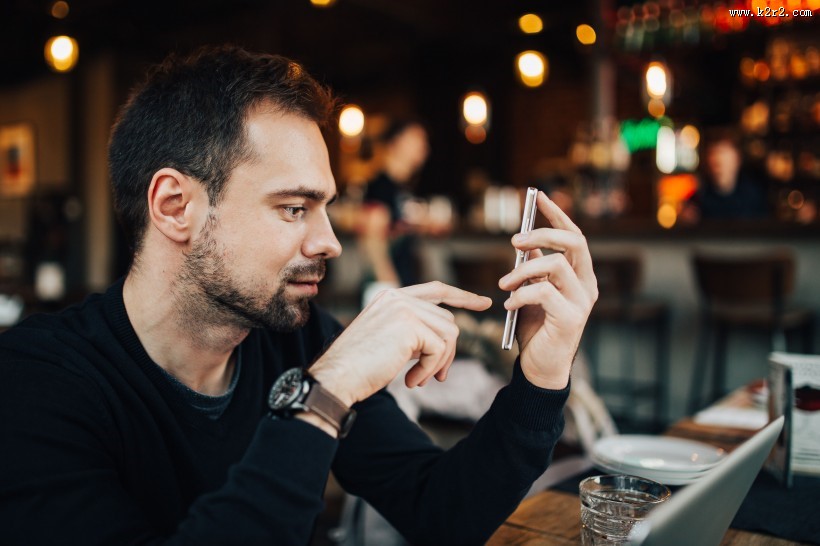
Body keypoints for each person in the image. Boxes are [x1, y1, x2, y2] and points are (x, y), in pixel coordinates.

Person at [0, 46, 598, 545]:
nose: (331, 242)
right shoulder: (35, 381)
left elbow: (442, 513)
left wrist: (541, 376)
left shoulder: (298, 337)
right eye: (293, 208)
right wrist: (323, 396)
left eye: (326, 208)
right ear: (175, 207)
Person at [358, 120, 435, 298]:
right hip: (387, 292)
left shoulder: (403, 188)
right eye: (417, 138)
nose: (424, 146)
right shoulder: (381, 187)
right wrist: (392, 288)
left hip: (403, 286)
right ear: (395, 142)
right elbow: (372, 243)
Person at [681, 132, 768, 222]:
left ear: (737, 160)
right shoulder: (698, 200)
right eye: (714, 156)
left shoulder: (754, 197)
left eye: (724, 156)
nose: (718, 164)